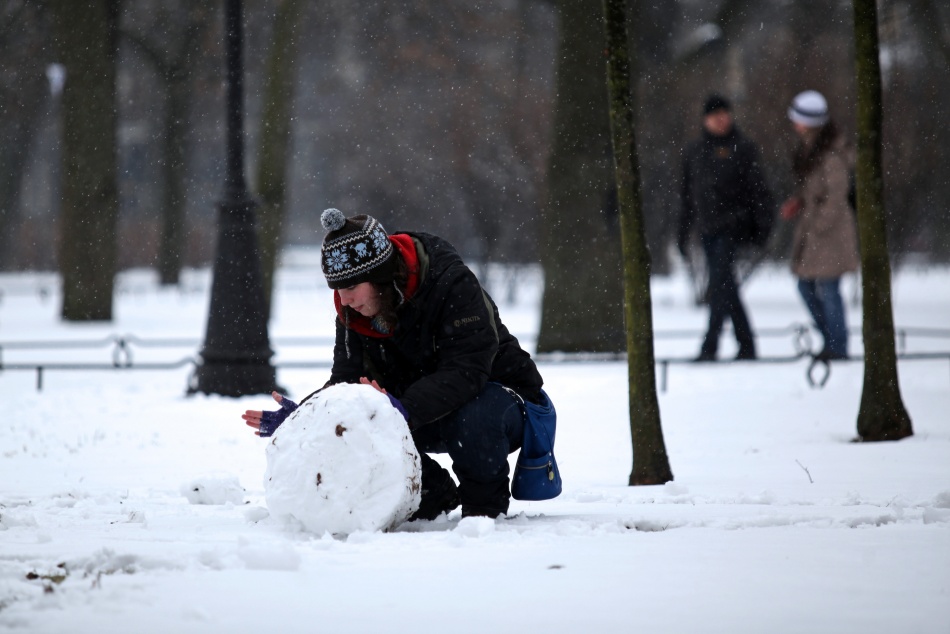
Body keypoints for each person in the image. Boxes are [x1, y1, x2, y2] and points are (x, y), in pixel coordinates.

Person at [242, 208, 544, 520]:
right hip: (417, 408)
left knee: (475, 415)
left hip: (504, 402)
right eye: (337, 290)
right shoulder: (353, 313)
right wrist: (304, 421)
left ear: (380, 276)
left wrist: (401, 409)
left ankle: (483, 511)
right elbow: (345, 384)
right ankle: (431, 493)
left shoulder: (452, 284)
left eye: (349, 288)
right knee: (349, 426)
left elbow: (467, 371)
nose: (343, 300)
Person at [678, 94, 774, 362]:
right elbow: (687, 197)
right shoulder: (694, 151)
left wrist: (761, 228)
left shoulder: (743, 148)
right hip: (707, 229)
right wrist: (682, 234)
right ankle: (747, 343)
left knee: (720, 284)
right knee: (725, 286)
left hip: (734, 227)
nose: (721, 120)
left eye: (724, 113)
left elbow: (759, 192)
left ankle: (710, 345)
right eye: (715, 115)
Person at [780, 90, 859, 361]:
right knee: (809, 286)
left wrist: (819, 224)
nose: (794, 124)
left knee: (828, 289)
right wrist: (800, 203)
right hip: (817, 230)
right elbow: (815, 189)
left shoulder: (831, 153)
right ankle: (832, 341)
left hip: (830, 233)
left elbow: (836, 193)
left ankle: (837, 346)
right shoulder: (812, 149)